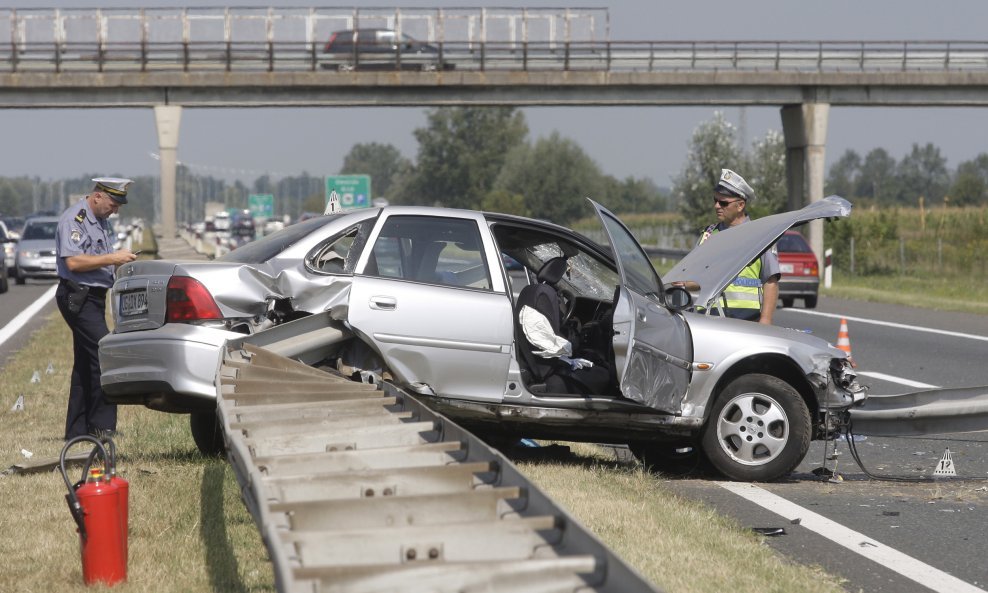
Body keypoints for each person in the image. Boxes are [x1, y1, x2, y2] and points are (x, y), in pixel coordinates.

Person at [55, 177, 138, 440]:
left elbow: (95, 261)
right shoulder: (75, 220)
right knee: (104, 355)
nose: (115, 210)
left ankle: (78, 431)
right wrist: (114, 258)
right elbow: (74, 263)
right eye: (113, 204)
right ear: (98, 196)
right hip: (78, 296)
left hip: (94, 297)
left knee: (85, 364)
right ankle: (102, 429)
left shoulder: (99, 220)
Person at [697, 168, 781, 324]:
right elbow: (693, 280)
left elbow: (771, 281)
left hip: (746, 322)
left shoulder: (761, 236)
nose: (717, 206)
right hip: (708, 321)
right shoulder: (708, 235)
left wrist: (766, 320)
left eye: (723, 202)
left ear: (741, 205)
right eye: (715, 200)